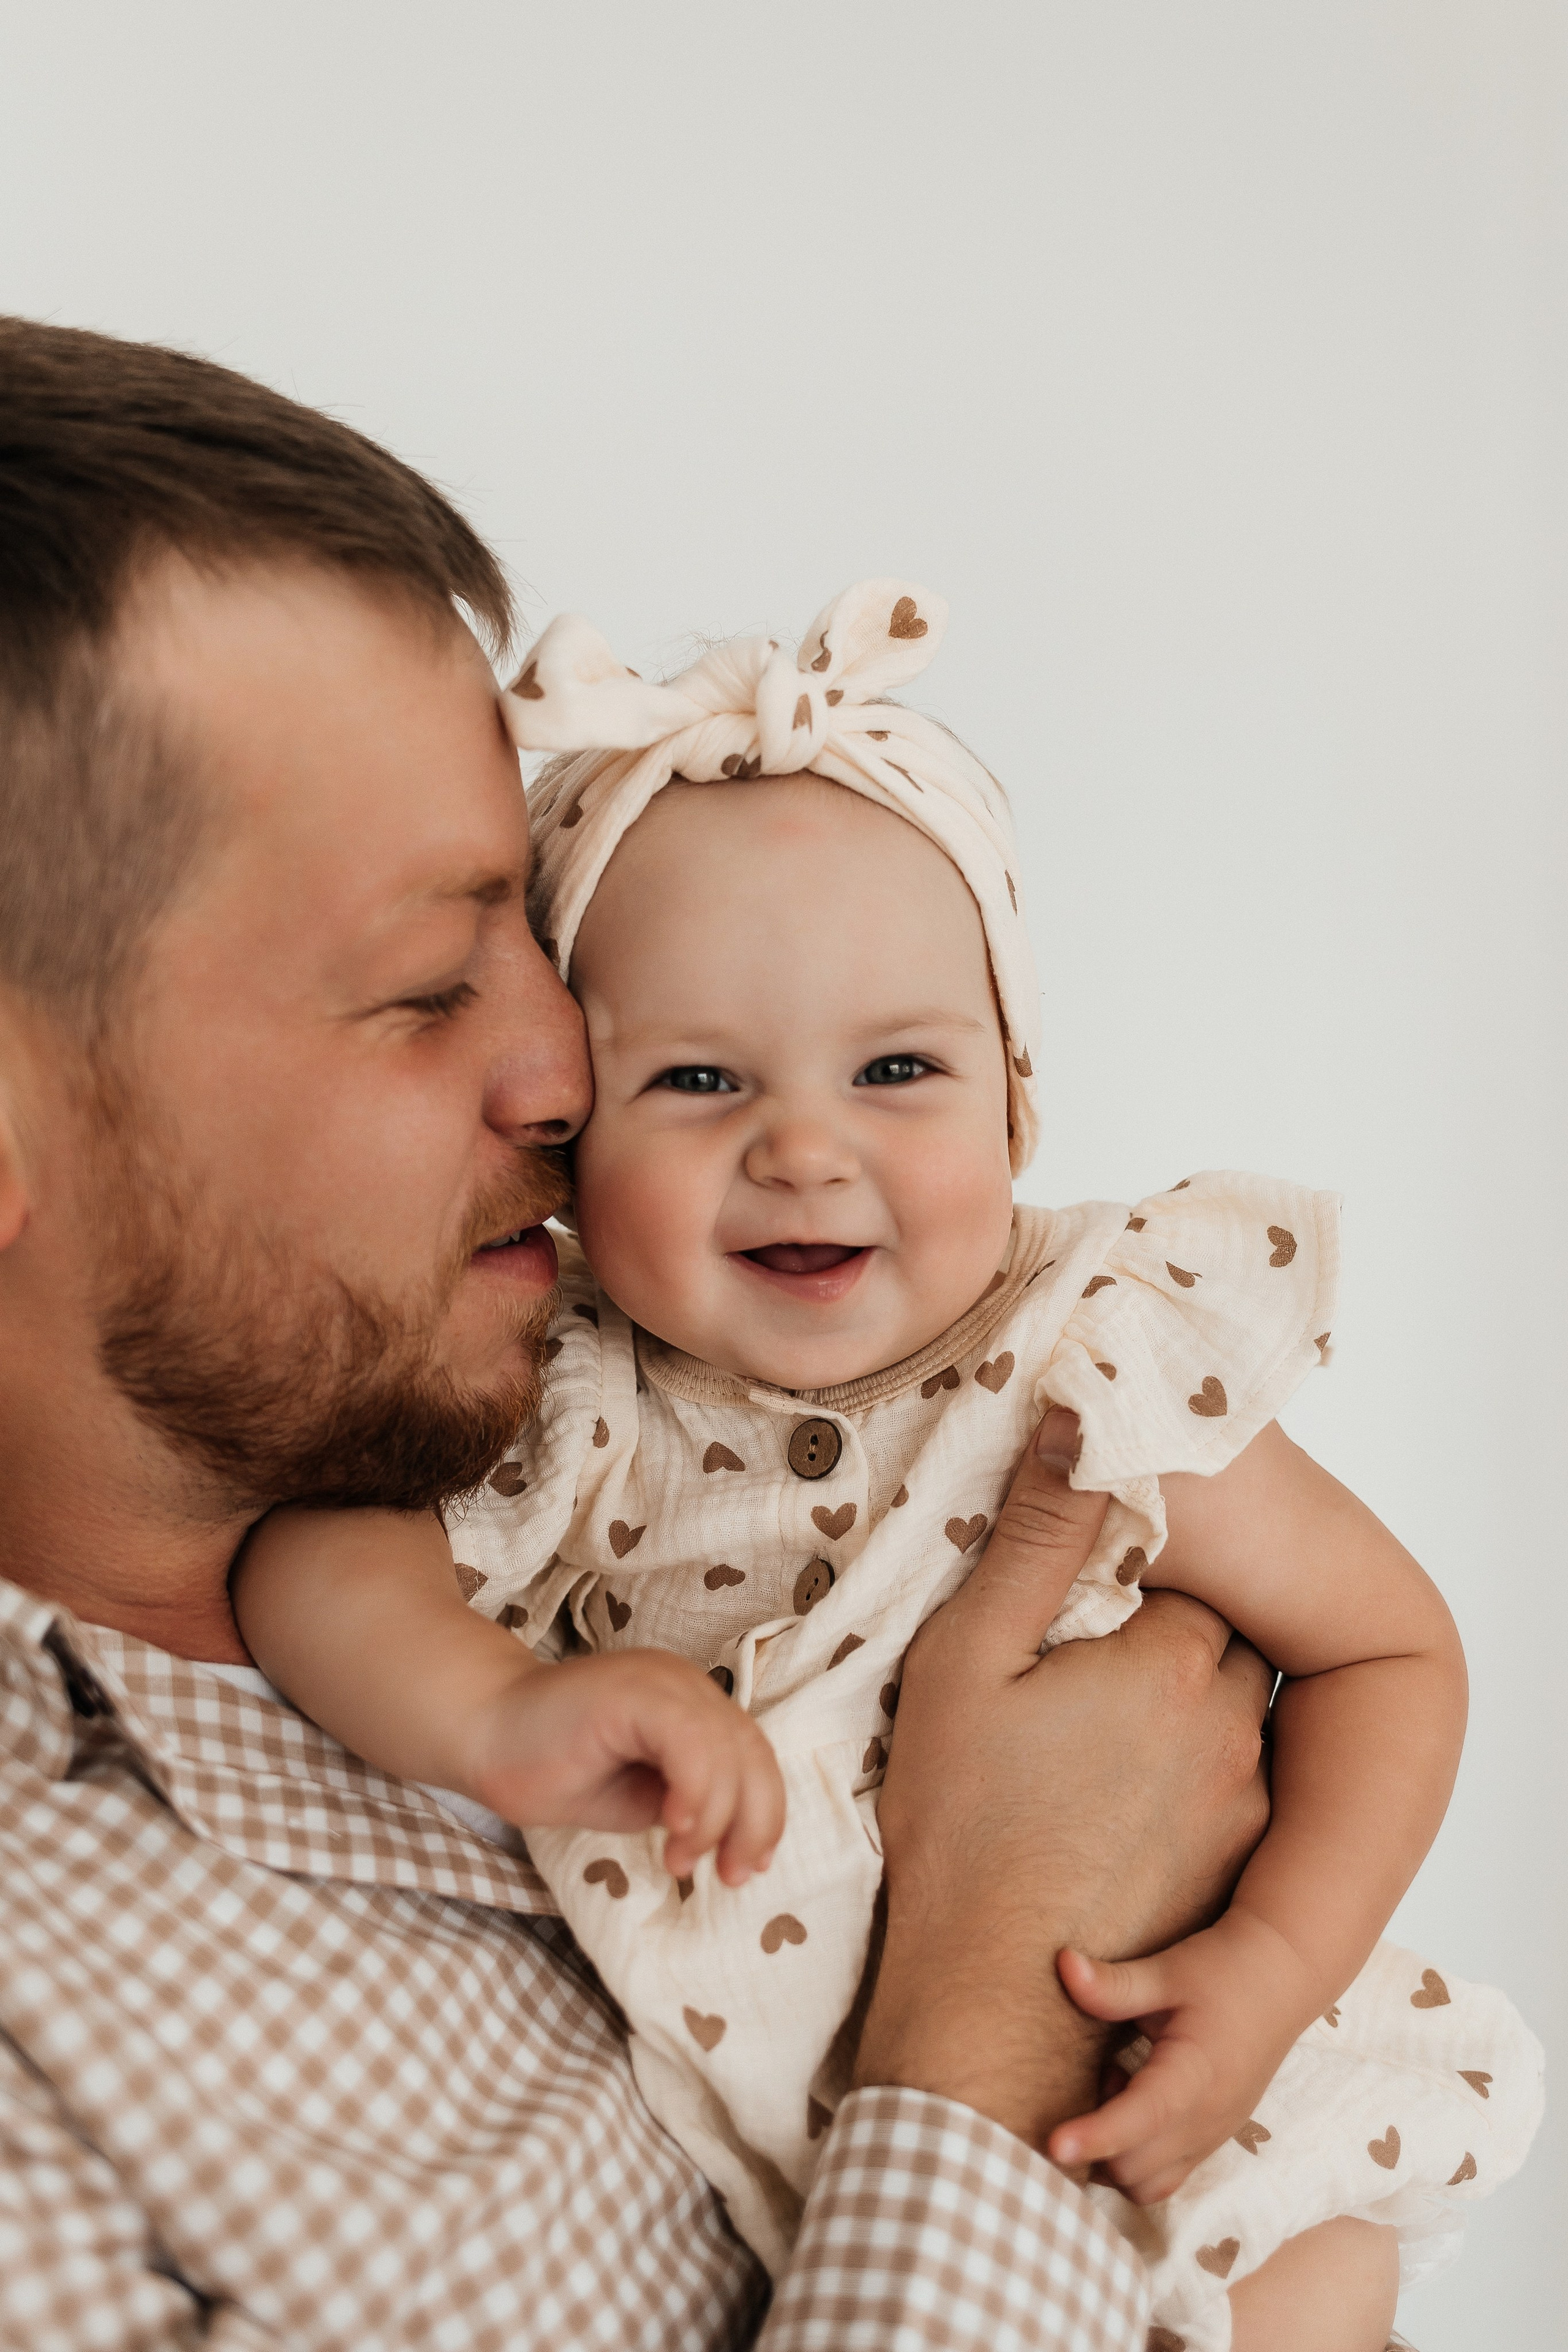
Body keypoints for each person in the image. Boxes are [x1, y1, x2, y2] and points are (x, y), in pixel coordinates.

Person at [0, 313, 1283, 2352]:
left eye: (542, 927)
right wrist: (993, 2018)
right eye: (429, 986)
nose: (564, 1071)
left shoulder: (555, 1482)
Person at [232, 584, 1543, 2351]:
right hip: (775, 2155)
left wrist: (1271, 1967)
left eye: (898, 1069)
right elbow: (314, 1560)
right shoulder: (563, 1388)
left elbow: (1395, 1651)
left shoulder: (1098, 1361)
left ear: (1015, 1101)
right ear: (565, 1132)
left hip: (1190, 2083)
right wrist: (483, 1711)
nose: (801, 1146)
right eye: (698, 1077)